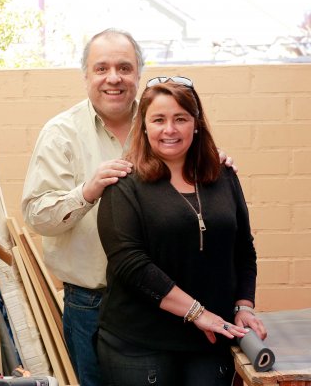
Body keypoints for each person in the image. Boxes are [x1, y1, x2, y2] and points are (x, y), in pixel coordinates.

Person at [21, 29, 235, 386]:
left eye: (124, 67)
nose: (113, 78)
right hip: (92, 303)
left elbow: (198, 186)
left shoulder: (161, 122)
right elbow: (36, 216)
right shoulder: (61, 134)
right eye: (101, 68)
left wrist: (212, 163)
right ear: (86, 76)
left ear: (139, 73)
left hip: (165, 306)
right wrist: (86, 192)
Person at [95, 77, 267, 385]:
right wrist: (197, 313)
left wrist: (243, 306)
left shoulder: (223, 175)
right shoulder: (124, 183)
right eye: (158, 120)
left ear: (196, 124)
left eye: (180, 119)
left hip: (209, 340)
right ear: (144, 127)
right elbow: (130, 263)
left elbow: (243, 248)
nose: (169, 129)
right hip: (141, 344)